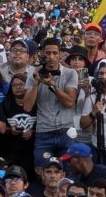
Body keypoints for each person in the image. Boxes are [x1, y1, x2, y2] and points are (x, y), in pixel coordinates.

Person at [22, 38, 79, 171]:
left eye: (54, 53)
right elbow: (27, 107)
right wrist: (36, 82)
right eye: (48, 53)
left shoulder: (70, 73)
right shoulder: (34, 73)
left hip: (66, 132)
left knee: (69, 173)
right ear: (42, 54)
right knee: (42, 173)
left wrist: (52, 86)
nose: (51, 57)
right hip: (44, 132)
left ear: (60, 54)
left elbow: (70, 102)